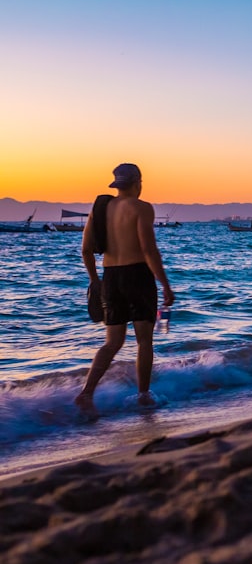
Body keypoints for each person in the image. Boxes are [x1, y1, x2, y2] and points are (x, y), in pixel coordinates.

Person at [76, 163, 175, 413]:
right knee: (144, 341)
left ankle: (86, 394)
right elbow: (148, 249)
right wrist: (164, 284)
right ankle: (143, 396)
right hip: (137, 276)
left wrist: (94, 280)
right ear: (137, 183)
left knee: (112, 343)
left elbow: (86, 250)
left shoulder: (99, 210)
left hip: (110, 278)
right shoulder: (141, 208)